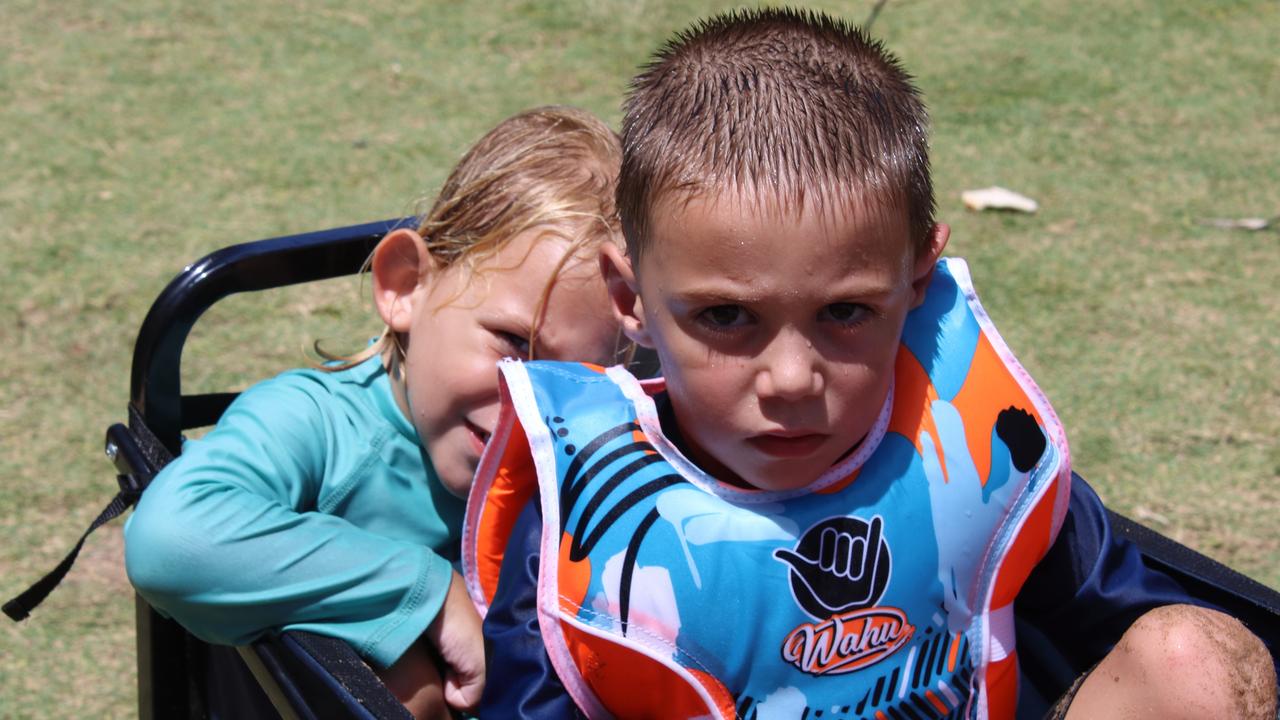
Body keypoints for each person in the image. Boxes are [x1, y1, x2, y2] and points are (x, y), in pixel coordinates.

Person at [461, 9, 1276, 719]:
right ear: (629, 298)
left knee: (1201, 661)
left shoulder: (971, 451)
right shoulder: (592, 533)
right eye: (726, 317)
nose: (790, 379)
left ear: (916, 283)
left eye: (844, 313)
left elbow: (1128, 632)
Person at [123, 105, 624, 720]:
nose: (532, 407)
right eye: (513, 345)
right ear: (407, 285)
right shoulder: (321, 425)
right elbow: (169, 538)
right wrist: (429, 594)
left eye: (588, 378)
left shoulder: (610, 458)